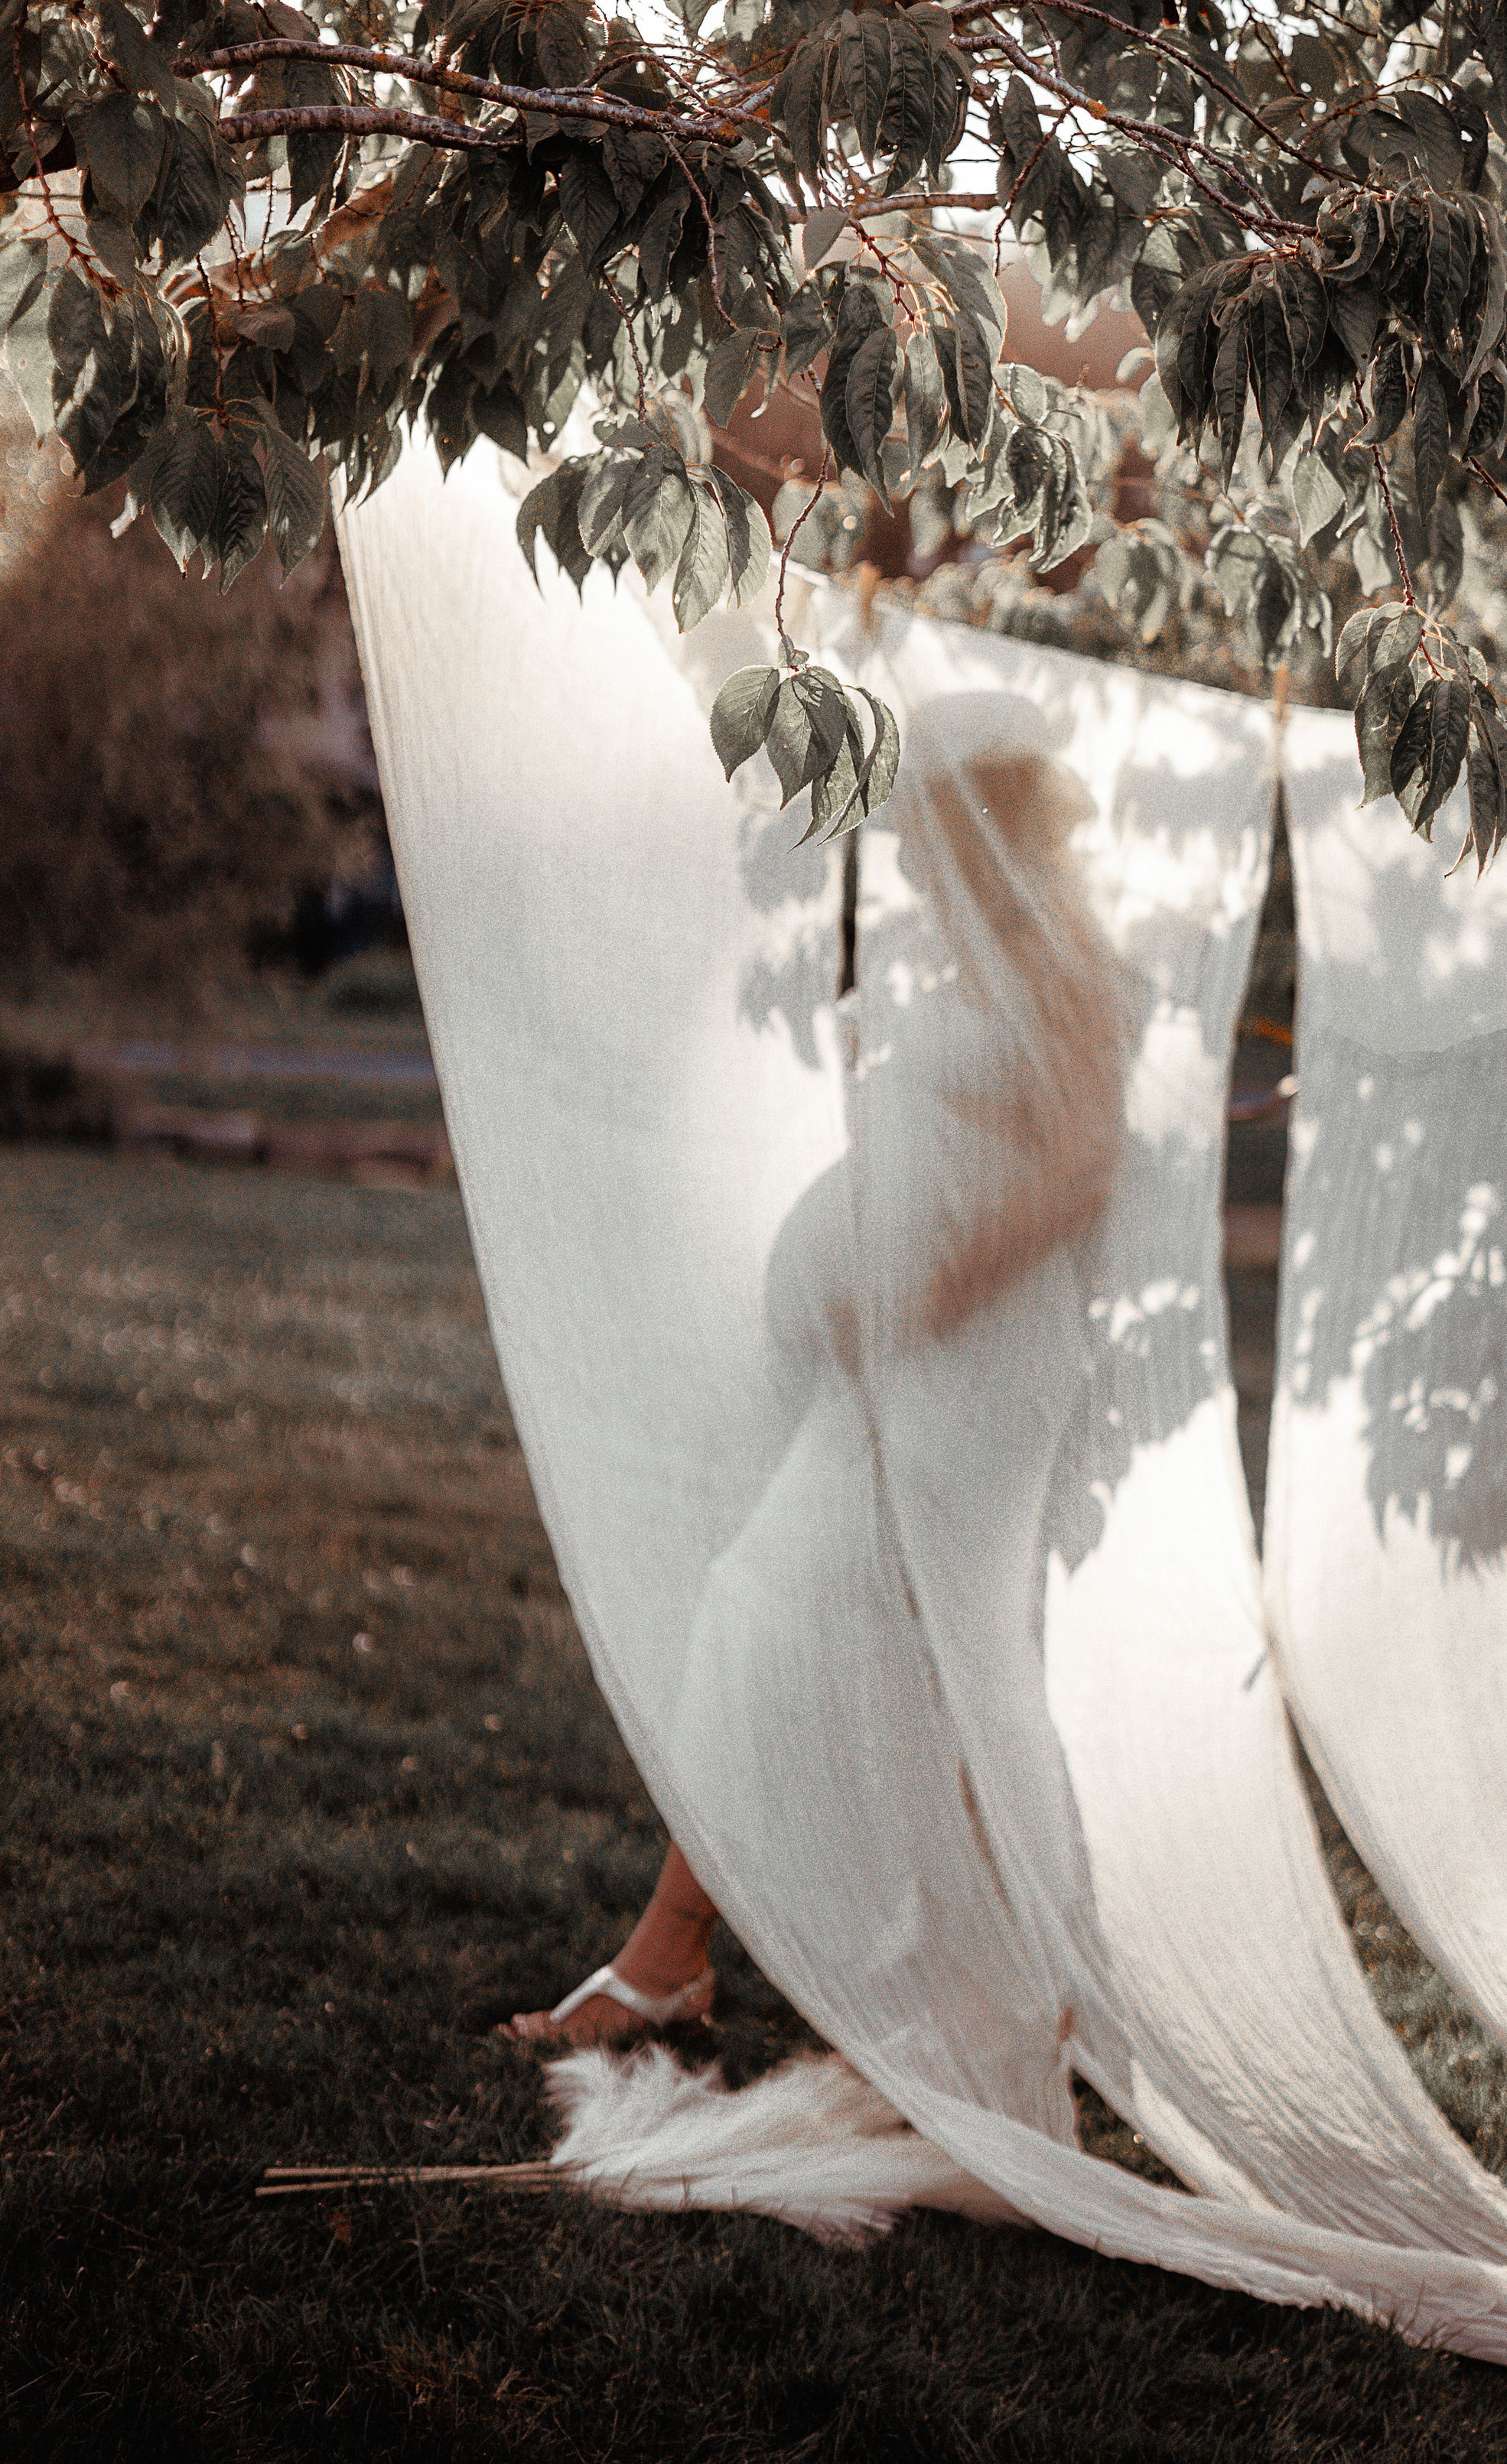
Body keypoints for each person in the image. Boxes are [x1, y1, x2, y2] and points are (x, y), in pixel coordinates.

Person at [503, 696, 1133, 2056]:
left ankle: (1021, 1982)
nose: (904, 855)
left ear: (987, 825)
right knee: (783, 1615)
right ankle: (682, 1954)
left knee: (961, 1655)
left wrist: (938, 1291)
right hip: (899, 1365)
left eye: (924, 829)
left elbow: (1086, 1162)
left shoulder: (1066, 958)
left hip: (980, 1367)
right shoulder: (956, 955)